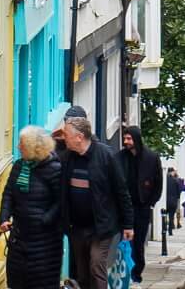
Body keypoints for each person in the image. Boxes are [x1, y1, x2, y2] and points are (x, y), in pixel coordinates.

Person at [56, 116, 134, 289]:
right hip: (77, 227)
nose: (64, 137)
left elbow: (122, 192)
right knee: (82, 272)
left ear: (79, 137)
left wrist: (128, 225)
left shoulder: (106, 156)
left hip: (102, 227)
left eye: (66, 134)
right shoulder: (67, 157)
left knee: (96, 265)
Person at [0, 126, 66, 289]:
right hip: (19, 239)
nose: (18, 147)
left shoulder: (54, 169)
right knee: (16, 281)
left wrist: (45, 219)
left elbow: (62, 202)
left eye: (21, 144)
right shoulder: (19, 167)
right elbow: (9, 194)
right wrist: (4, 217)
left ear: (34, 148)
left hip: (45, 243)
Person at [119, 126, 162, 283]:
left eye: (129, 139)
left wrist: (151, 203)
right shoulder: (120, 157)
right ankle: (128, 273)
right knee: (125, 241)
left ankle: (137, 272)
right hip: (124, 208)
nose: (126, 142)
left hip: (142, 207)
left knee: (138, 242)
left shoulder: (151, 157)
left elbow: (158, 183)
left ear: (136, 139)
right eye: (125, 139)